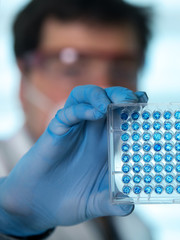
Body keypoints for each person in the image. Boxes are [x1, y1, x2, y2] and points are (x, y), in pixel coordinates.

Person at [0, 0, 153, 239]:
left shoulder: (134, 224)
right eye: (71, 67)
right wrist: (12, 223)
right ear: (23, 80)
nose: (104, 87)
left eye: (122, 70)